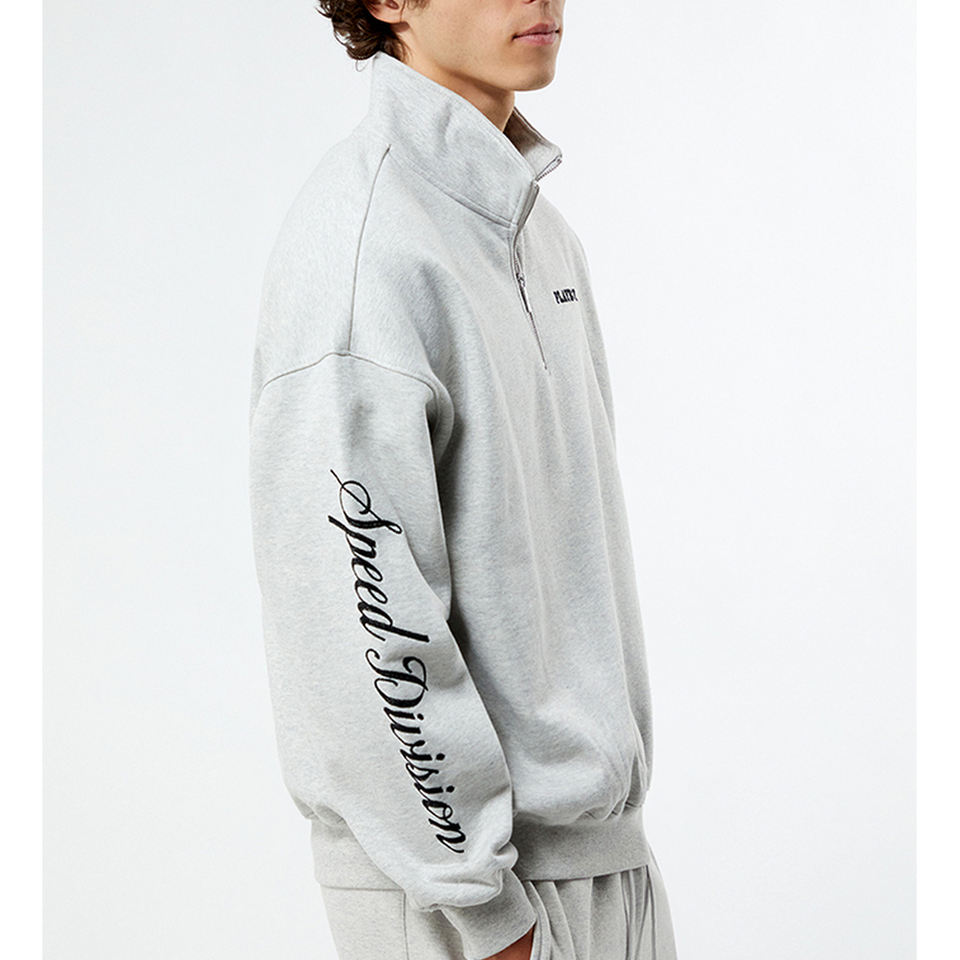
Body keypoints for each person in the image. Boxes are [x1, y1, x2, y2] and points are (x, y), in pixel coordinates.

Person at [247, 2, 679, 958]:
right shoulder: (364, 248)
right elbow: (350, 619)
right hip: (468, 903)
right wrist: (483, 911)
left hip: (606, 866)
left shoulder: (541, 234)